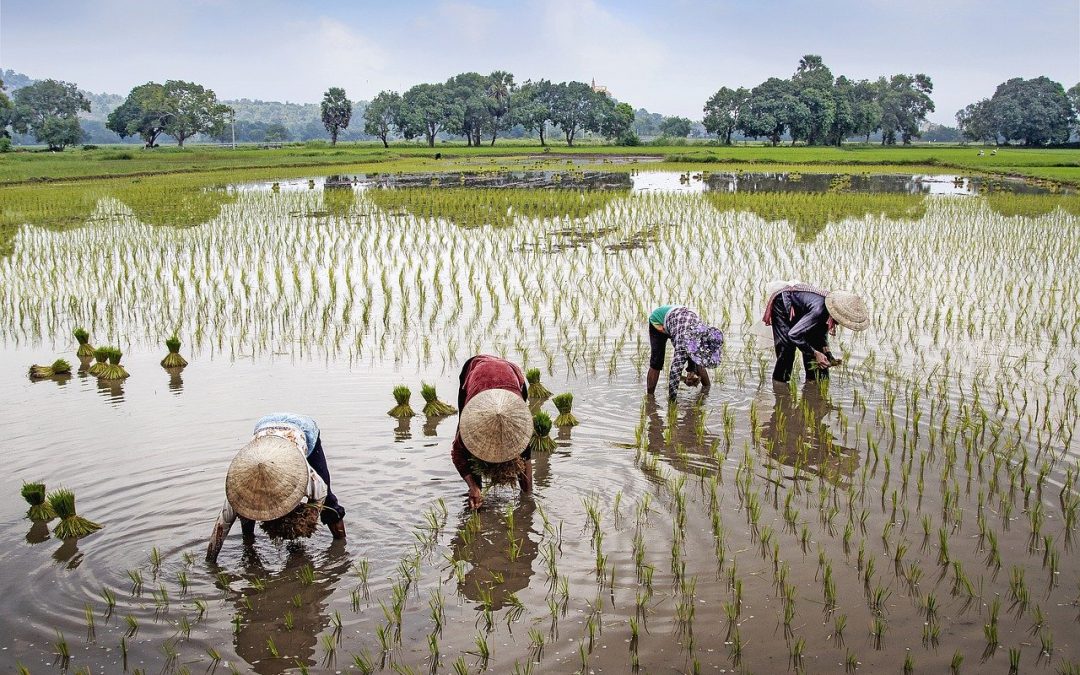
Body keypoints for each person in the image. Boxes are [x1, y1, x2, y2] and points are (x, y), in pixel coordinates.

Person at [206, 413, 346, 562]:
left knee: (330, 503)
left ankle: (341, 547)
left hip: (303, 429)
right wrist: (211, 560)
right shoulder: (238, 491)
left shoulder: (308, 478)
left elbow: (320, 497)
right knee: (245, 511)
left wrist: (305, 520)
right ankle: (249, 544)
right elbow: (221, 527)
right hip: (264, 427)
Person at [452, 355, 534, 510]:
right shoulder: (471, 423)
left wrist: (528, 497)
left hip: (511, 373)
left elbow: (526, 456)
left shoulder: (520, 425)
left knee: (520, 449)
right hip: (476, 371)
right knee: (469, 450)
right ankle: (477, 493)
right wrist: (473, 486)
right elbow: (457, 455)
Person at [762, 282, 869, 383]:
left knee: (816, 347)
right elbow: (793, 335)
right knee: (787, 350)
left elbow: (821, 333)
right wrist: (815, 353)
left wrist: (827, 353)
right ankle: (780, 386)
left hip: (805, 309)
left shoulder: (827, 311)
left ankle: (814, 382)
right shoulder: (820, 310)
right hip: (783, 303)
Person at [646, 305, 725, 400]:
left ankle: (706, 391)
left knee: (699, 360)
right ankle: (650, 397)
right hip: (658, 321)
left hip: (680, 322)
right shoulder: (683, 343)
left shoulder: (704, 333)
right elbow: (674, 374)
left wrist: (693, 372)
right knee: (657, 361)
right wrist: (672, 405)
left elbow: (698, 357)